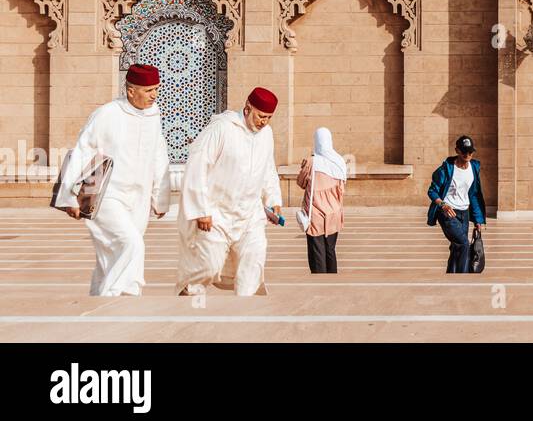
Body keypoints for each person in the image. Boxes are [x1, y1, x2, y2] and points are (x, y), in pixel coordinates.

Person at [54, 64, 170, 296]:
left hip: (139, 198)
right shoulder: (108, 114)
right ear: (130, 91)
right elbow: (82, 151)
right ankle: (117, 297)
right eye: (148, 90)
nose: (154, 95)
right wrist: (68, 196)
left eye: (156, 89)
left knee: (111, 254)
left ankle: (99, 300)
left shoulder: (153, 115)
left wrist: (160, 197)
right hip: (107, 195)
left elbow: (159, 156)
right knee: (131, 244)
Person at [175, 87, 283, 296]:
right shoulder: (222, 129)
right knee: (209, 265)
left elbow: (268, 168)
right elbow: (198, 165)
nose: (264, 122)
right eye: (261, 116)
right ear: (248, 108)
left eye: (269, 117)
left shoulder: (266, 134)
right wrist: (201, 209)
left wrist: (273, 199)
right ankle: (188, 293)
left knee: (254, 258)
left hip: (250, 214)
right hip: (216, 213)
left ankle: (245, 308)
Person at [427, 135, 486, 273]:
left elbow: (474, 195)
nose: (467, 155)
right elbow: (432, 191)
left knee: (456, 246)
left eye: (470, 152)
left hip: (464, 213)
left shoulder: (474, 168)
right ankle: (462, 278)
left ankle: (451, 276)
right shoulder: (445, 169)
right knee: (464, 244)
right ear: (457, 150)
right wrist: (443, 205)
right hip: (447, 212)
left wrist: (478, 220)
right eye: (464, 151)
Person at [297, 127, 348, 274]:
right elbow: (341, 189)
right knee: (330, 250)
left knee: (317, 254)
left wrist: (303, 167)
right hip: (334, 214)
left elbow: (301, 183)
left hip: (316, 216)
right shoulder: (339, 162)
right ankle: (332, 283)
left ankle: (320, 285)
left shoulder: (312, 162)